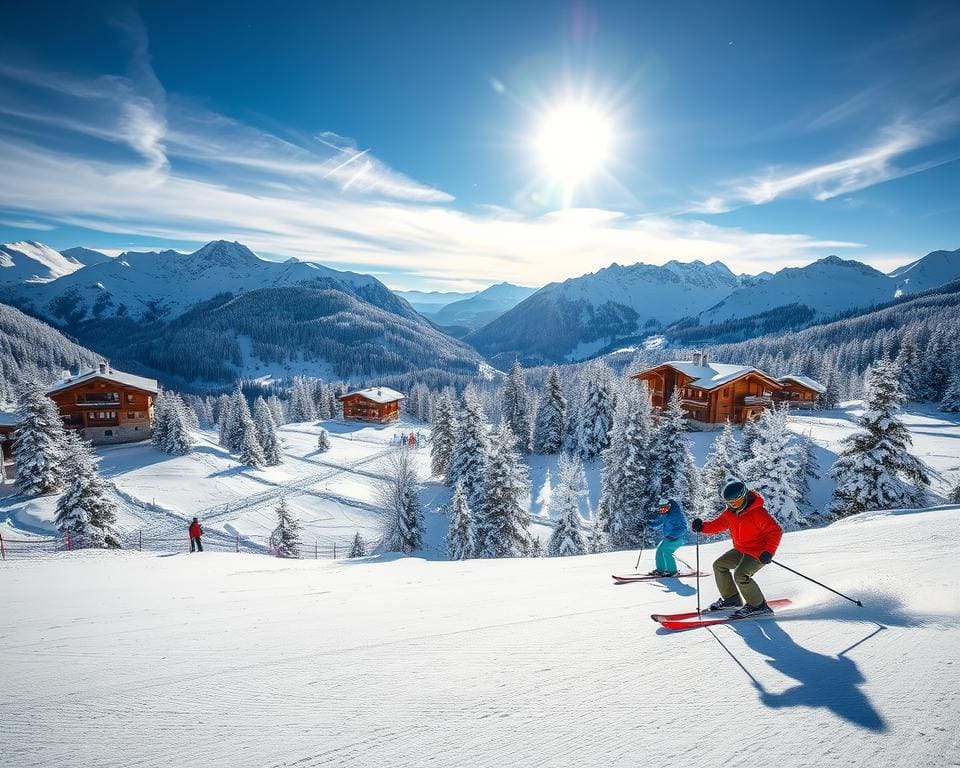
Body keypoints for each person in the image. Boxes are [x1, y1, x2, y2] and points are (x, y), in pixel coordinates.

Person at [692, 479, 783, 618]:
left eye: (737, 502)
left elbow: (775, 531)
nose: (733, 506)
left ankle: (758, 606)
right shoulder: (730, 513)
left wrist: (769, 551)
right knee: (719, 565)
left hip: (758, 553)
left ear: (745, 496)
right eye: (729, 503)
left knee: (740, 574)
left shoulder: (758, 512)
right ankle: (731, 599)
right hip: (741, 550)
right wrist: (702, 527)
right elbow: (717, 525)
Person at [645, 497, 688, 577]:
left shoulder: (677, 514)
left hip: (677, 538)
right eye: (661, 509)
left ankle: (673, 571)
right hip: (668, 537)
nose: (663, 511)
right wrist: (649, 523)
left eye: (664, 508)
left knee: (666, 552)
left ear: (669, 506)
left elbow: (684, 527)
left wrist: (674, 535)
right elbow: (658, 522)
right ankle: (661, 570)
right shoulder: (665, 515)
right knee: (660, 551)